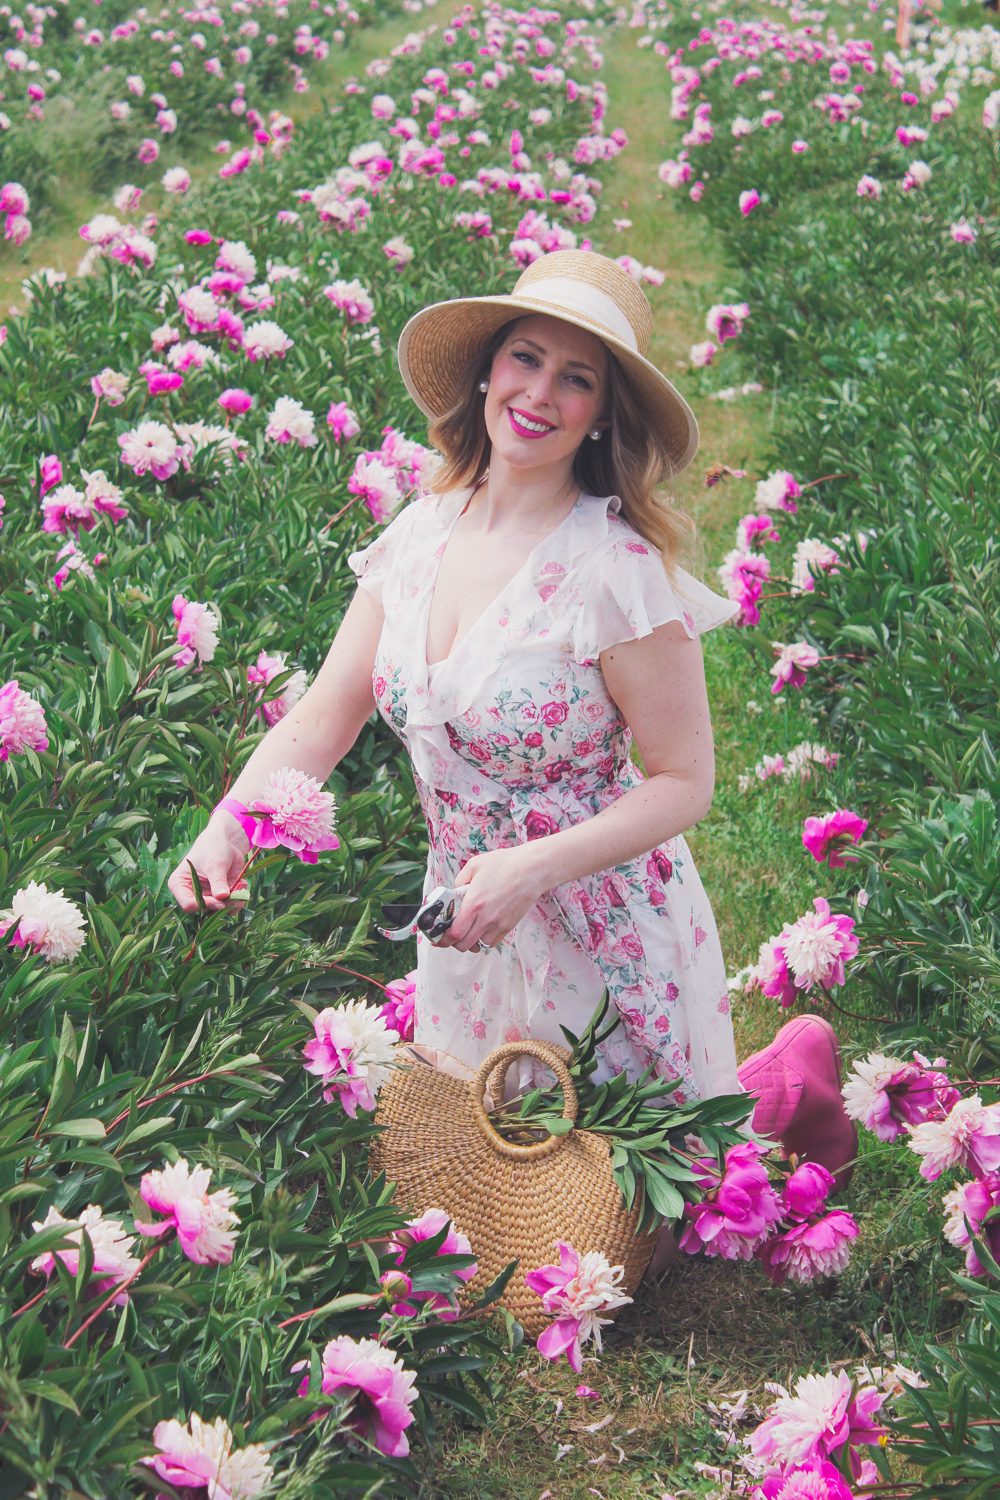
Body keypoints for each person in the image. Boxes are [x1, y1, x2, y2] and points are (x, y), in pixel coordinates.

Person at [168, 251, 856, 1272]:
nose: (540, 393)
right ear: (485, 372)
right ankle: (773, 1078)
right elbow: (324, 716)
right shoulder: (416, 539)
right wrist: (228, 825)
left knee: (619, 1238)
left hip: (602, 916)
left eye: (575, 378)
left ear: (602, 416)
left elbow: (685, 781)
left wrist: (537, 865)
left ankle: (788, 1088)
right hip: (468, 924)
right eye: (525, 360)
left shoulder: (614, 574)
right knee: (476, 1206)